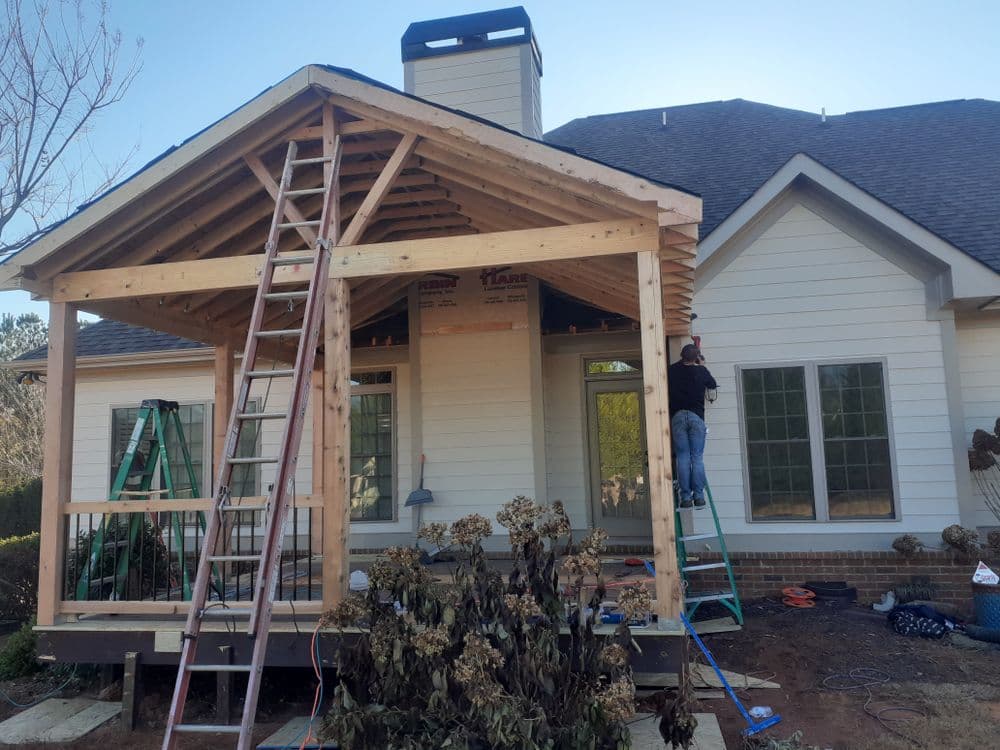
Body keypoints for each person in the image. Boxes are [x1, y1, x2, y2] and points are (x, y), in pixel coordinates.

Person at [668, 343, 718, 508]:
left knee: (683, 457)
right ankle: (698, 496)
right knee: (696, 457)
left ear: (681, 355)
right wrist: (702, 366)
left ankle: (685, 498)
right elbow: (711, 384)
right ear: (695, 357)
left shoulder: (671, 370)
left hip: (677, 416)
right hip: (696, 417)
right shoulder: (700, 371)